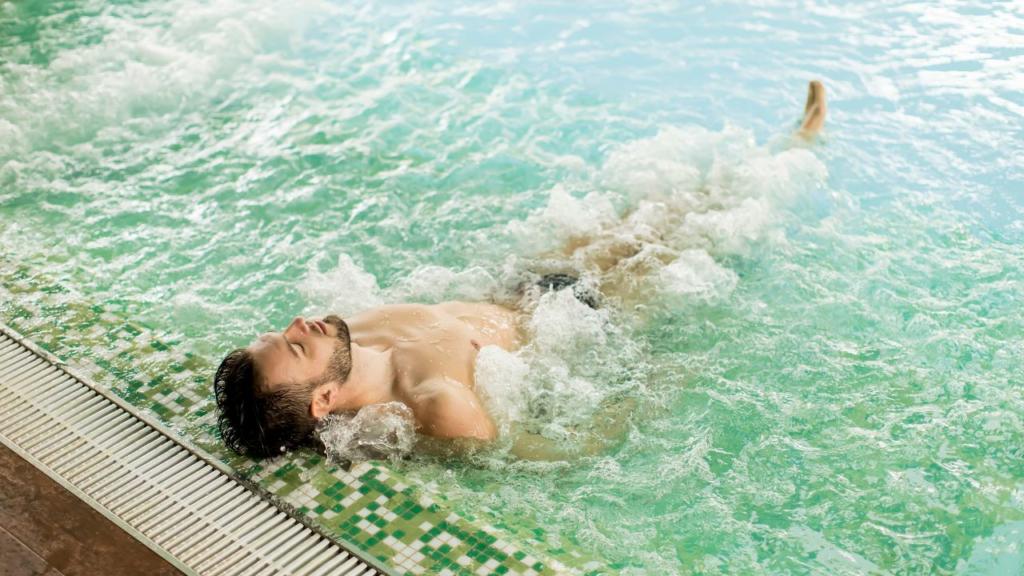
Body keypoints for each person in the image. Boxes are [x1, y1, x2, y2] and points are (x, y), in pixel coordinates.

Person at [214, 81, 827, 459]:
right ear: (324, 399)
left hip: (524, 287)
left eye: (280, 332)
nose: (300, 324)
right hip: (583, 316)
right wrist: (652, 391)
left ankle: (778, 148)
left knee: (648, 214)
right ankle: (794, 149)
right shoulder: (436, 407)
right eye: (297, 347)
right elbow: (560, 453)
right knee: (695, 236)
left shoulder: (348, 337)